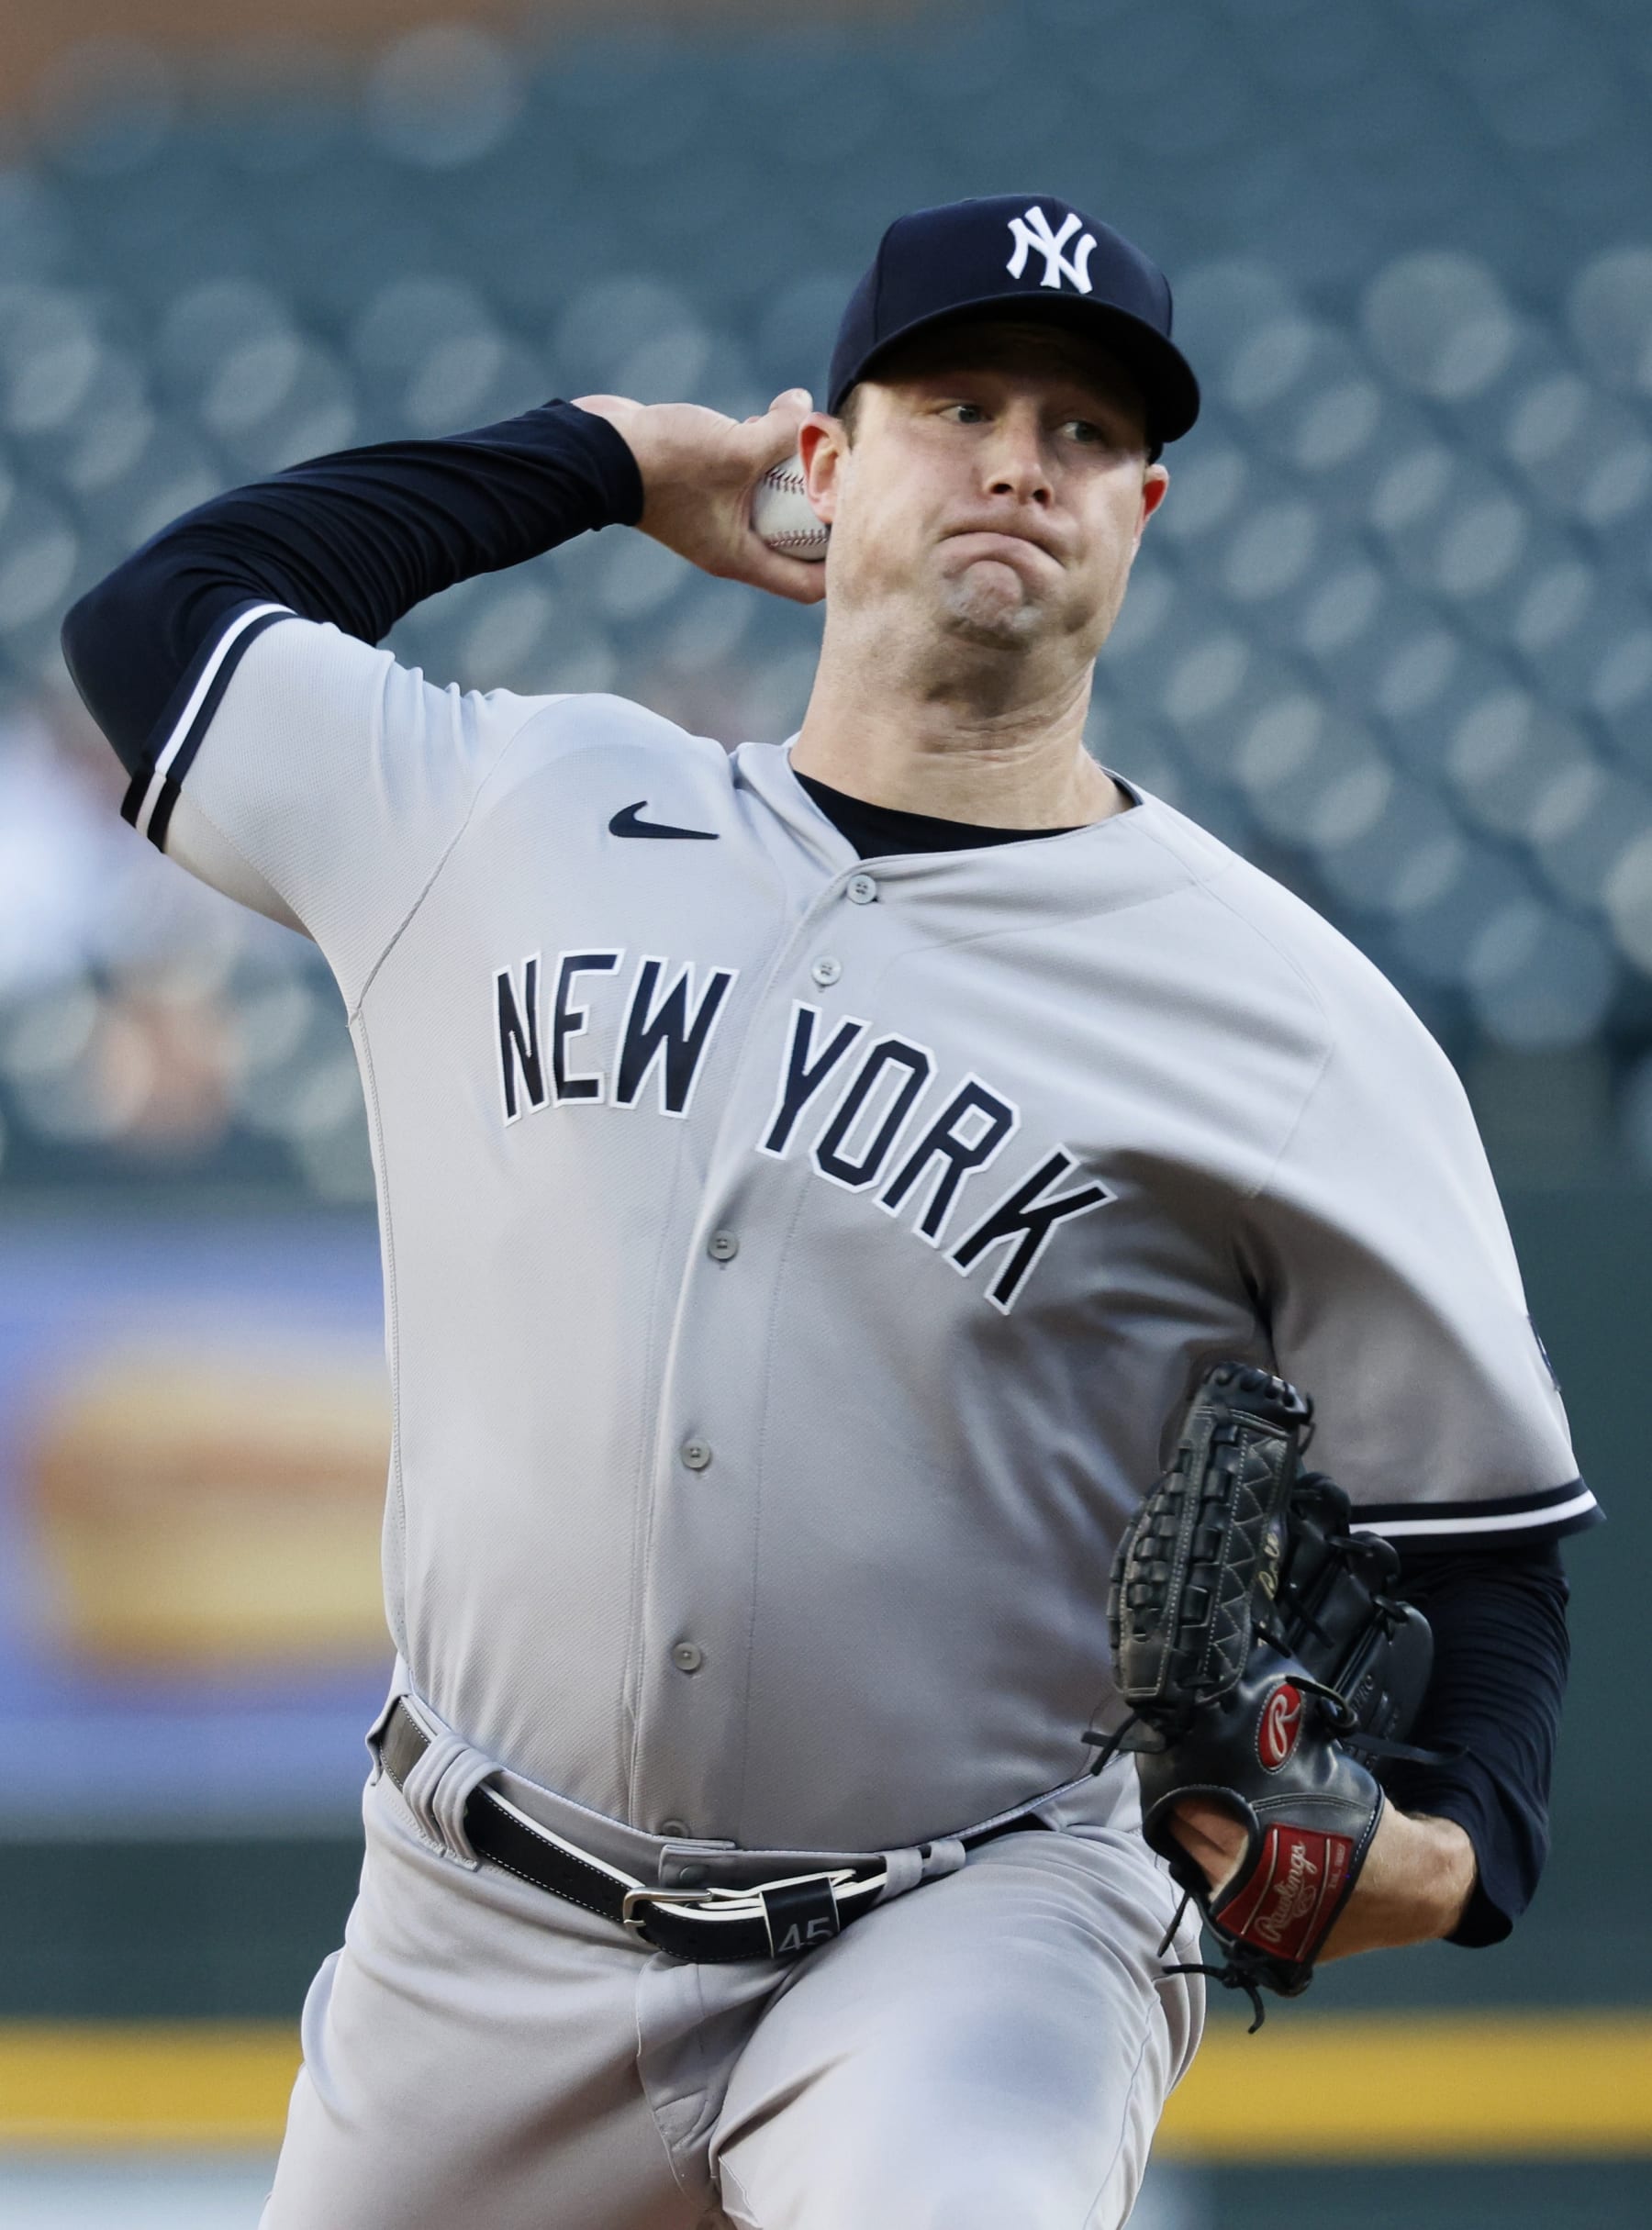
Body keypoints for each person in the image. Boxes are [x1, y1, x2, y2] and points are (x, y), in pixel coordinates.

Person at [61, 195, 1591, 2230]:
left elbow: (1490, 1558)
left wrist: (1453, 1845)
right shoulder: (513, 811)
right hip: (470, 1922)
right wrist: (605, 458)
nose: (1018, 463)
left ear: (1146, 506)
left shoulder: (1294, 1021)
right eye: (959, 402)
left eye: (1077, 430)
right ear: (823, 460)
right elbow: (160, 627)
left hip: (973, 1920)